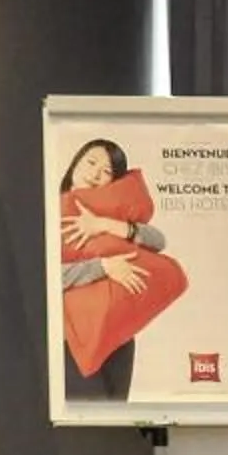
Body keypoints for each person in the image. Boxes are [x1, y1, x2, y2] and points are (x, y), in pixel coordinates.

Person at [57, 138, 188, 400]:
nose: (95, 174)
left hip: (118, 335)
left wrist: (105, 225)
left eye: (106, 172)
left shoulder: (109, 211)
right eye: (91, 162)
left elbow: (158, 241)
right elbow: (48, 275)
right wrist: (103, 266)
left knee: (117, 418)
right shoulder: (50, 210)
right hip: (73, 335)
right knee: (87, 416)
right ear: (75, 164)